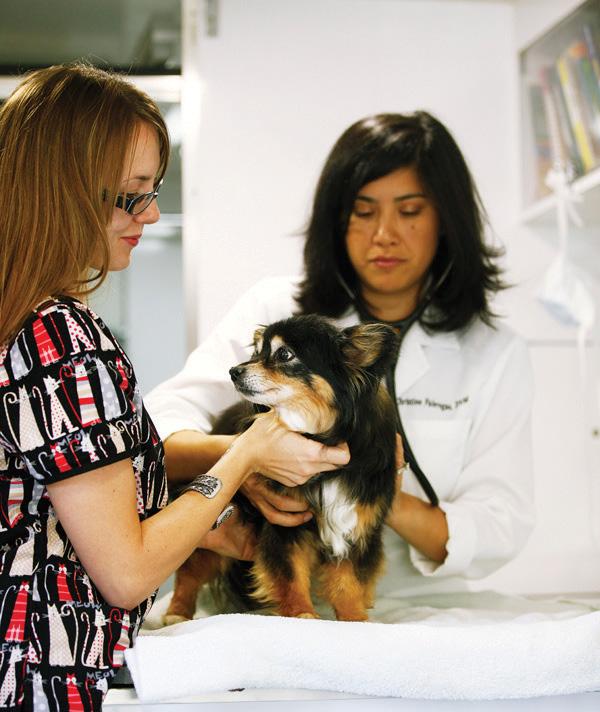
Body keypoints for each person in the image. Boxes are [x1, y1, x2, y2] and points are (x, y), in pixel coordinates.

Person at [0, 63, 349, 710]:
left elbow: (50, 508)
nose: (153, 214)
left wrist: (199, 527)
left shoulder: (19, 323)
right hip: (43, 681)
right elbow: (127, 572)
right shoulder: (61, 340)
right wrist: (246, 453)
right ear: (62, 190)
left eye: (153, 190)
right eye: (131, 195)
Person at [146, 111, 535, 599]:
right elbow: (156, 435)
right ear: (336, 219)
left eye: (410, 211)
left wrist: (374, 491)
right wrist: (245, 463)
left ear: (446, 220)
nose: (384, 234)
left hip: (417, 606)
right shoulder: (274, 311)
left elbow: (500, 524)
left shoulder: (493, 352)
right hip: (264, 606)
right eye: (363, 211)